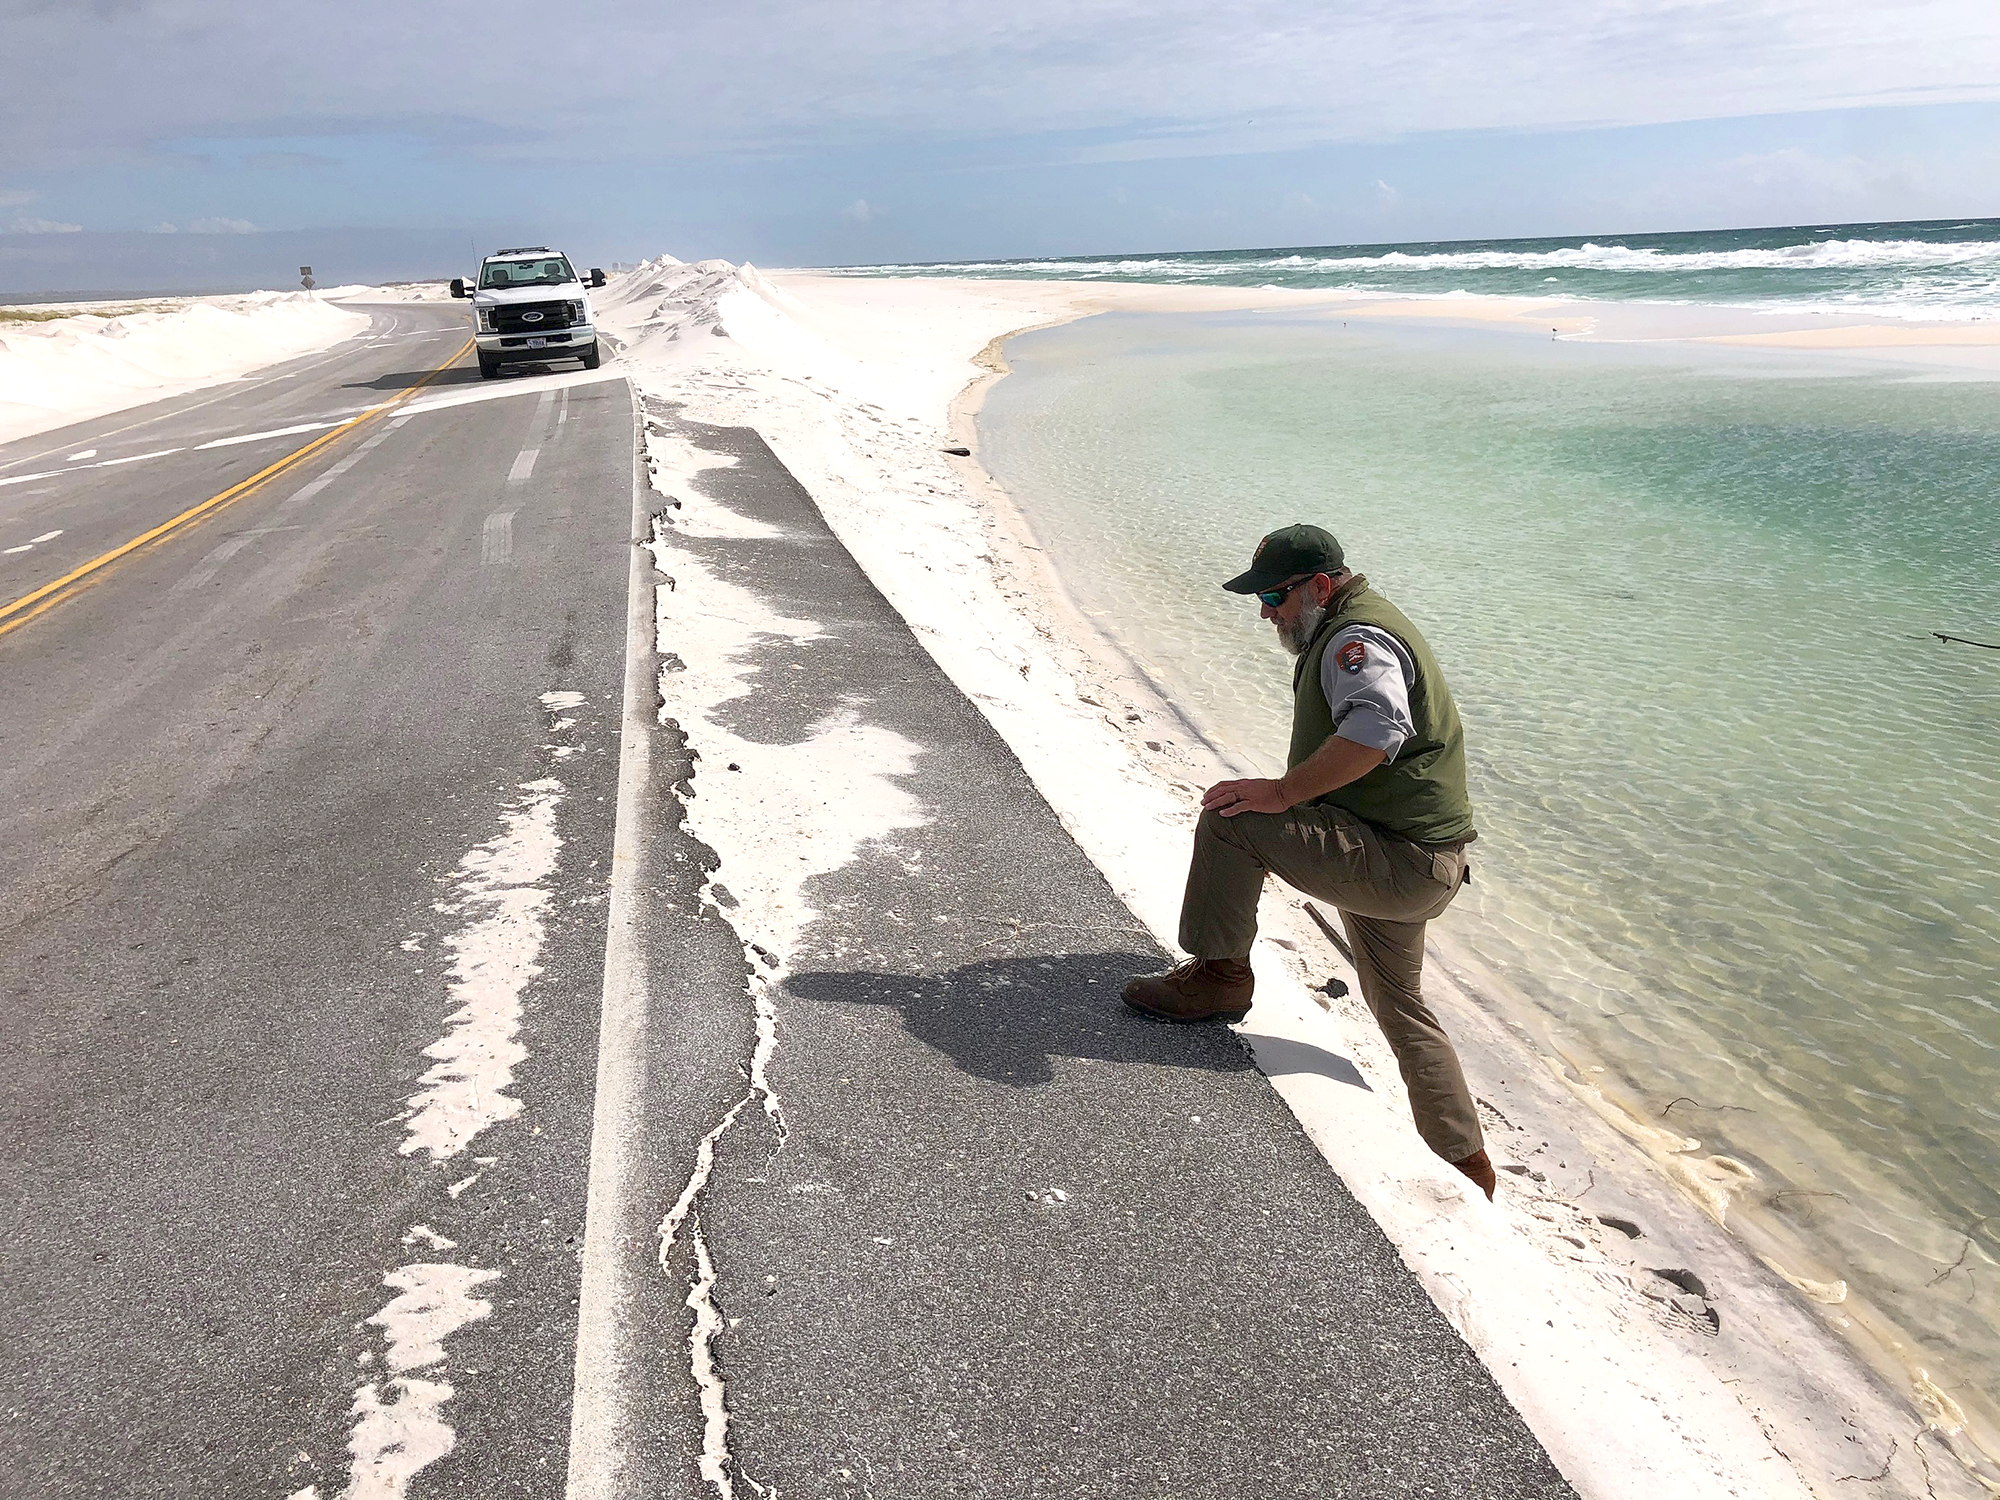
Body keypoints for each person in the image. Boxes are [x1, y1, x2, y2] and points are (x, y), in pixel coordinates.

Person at [1122, 524, 1497, 1198]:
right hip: (1424, 861)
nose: (1267, 612)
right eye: (1261, 598)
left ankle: (1220, 977)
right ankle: (1468, 1167)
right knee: (1399, 1003)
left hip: (1396, 861)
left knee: (1232, 818)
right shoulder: (1355, 622)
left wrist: (1283, 792)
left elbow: (1376, 728)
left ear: (1320, 586)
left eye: (1273, 595)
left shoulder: (1358, 641)